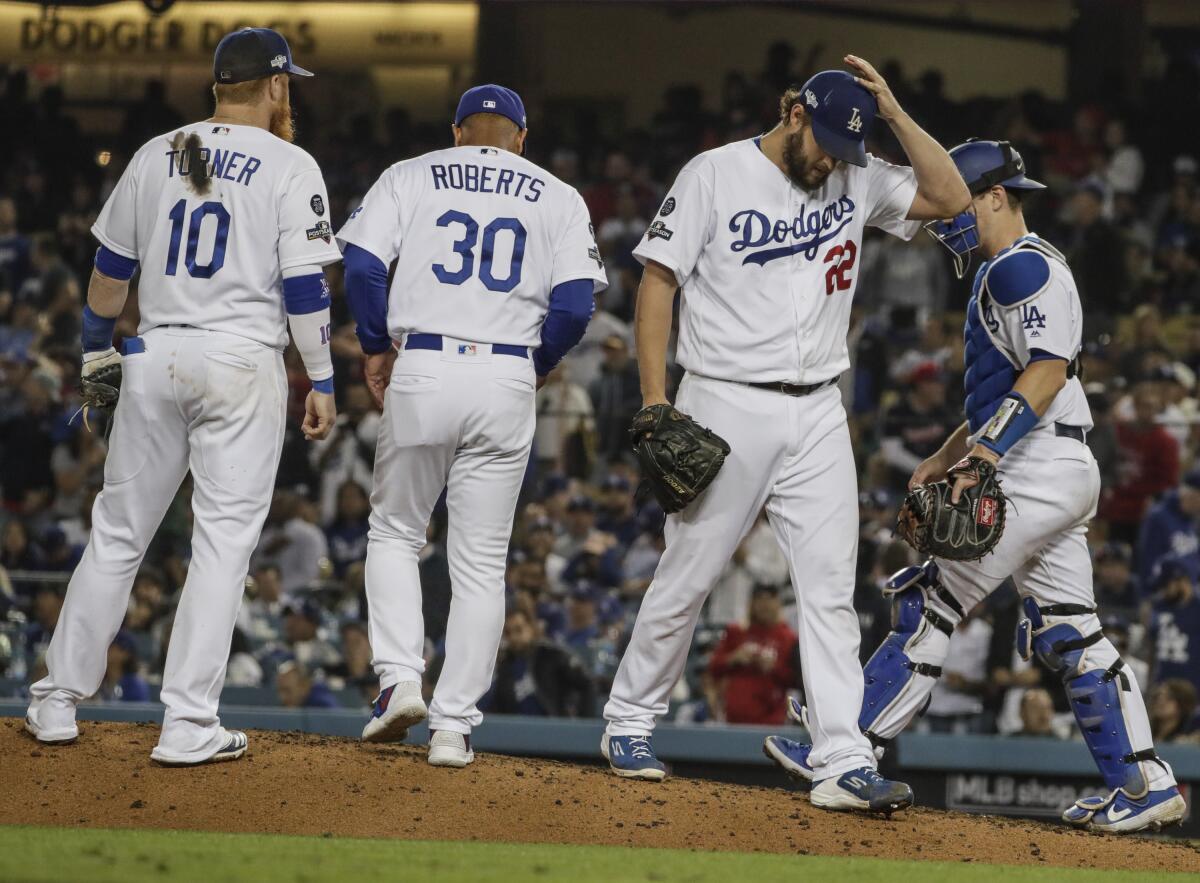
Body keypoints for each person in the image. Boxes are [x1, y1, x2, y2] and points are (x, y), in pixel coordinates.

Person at [764, 139, 1185, 833]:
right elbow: (1017, 384)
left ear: (997, 194)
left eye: (959, 198)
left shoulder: (1021, 267)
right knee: (1071, 631)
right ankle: (1140, 783)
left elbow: (1047, 373)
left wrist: (983, 456)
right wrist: (949, 450)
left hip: (1038, 462)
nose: (944, 215)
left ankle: (846, 748)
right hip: (1050, 461)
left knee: (932, 596)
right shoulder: (1013, 266)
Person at [602, 58, 968, 816]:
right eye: (828, 139)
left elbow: (950, 195)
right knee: (690, 572)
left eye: (848, 146)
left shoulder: (856, 174)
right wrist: (654, 398)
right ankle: (629, 721)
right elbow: (658, 279)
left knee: (832, 587)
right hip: (724, 400)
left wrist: (894, 114)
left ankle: (841, 755)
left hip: (818, 409)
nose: (835, 158)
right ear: (793, 112)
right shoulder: (714, 173)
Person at [24, 28, 340, 766]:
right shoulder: (292, 163)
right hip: (240, 359)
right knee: (223, 544)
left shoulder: (155, 151)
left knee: (118, 533)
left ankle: (55, 700)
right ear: (275, 85)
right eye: (286, 82)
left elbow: (109, 270)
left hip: (156, 351)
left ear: (214, 86)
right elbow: (302, 287)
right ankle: (188, 721)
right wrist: (321, 376)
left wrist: (97, 346)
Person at [338, 84, 606, 768]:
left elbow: (364, 265)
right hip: (506, 374)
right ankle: (454, 727)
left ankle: (399, 679)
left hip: (423, 361)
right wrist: (539, 362)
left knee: (397, 531)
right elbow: (575, 308)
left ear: (457, 130)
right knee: (482, 562)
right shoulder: (557, 194)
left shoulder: (411, 173)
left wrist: (374, 344)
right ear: (521, 136)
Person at [706, 584, 798, 725]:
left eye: (769, 599)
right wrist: (734, 658)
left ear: (778, 603)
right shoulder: (736, 631)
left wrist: (773, 667)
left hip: (773, 721)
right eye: (759, 599)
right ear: (751, 603)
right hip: (733, 719)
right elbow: (713, 667)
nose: (764, 605)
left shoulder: (788, 637)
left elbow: (796, 680)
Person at [487, 607, 595, 718]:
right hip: (518, 731)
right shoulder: (505, 668)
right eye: (508, 633)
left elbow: (586, 683)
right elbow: (499, 708)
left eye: (519, 630)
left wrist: (583, 725)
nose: (514, 637)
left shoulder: (551, 654)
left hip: (552, 729)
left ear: (531, 628)